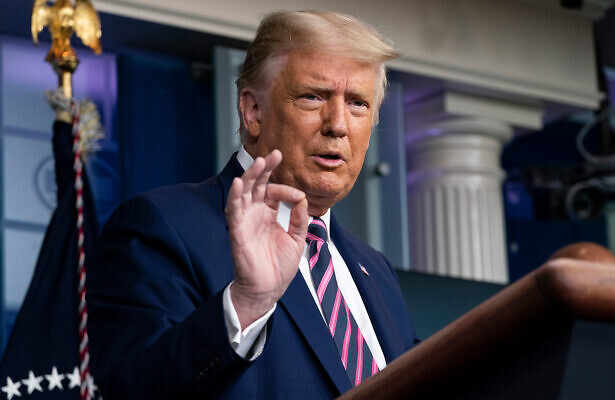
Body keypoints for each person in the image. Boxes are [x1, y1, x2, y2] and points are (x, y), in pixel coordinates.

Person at [87, 10, 419, 399]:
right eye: (313, 97)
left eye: (358, 103)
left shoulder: (376, 270)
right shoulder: (162, 227)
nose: (338, 125)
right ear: (253, 111)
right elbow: (133, 390)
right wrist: (247, 303)